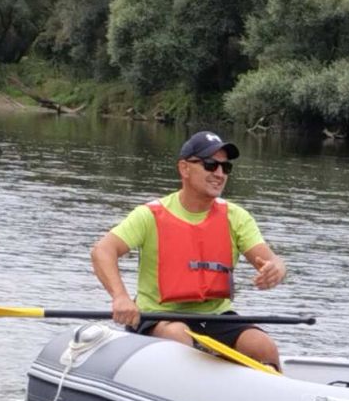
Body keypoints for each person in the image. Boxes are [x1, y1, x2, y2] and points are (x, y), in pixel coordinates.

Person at [90, 131, 287, 367]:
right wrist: (120, 298)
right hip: (159, 316)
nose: (219, 174)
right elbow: (103, 251)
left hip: (215, 317)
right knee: (178, 337)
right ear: (184, 168)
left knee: (263, 346)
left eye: (226, 168)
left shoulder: (236, 217)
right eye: (210, 165)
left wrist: (276, 269)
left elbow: (270, 260)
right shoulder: (150, 215)